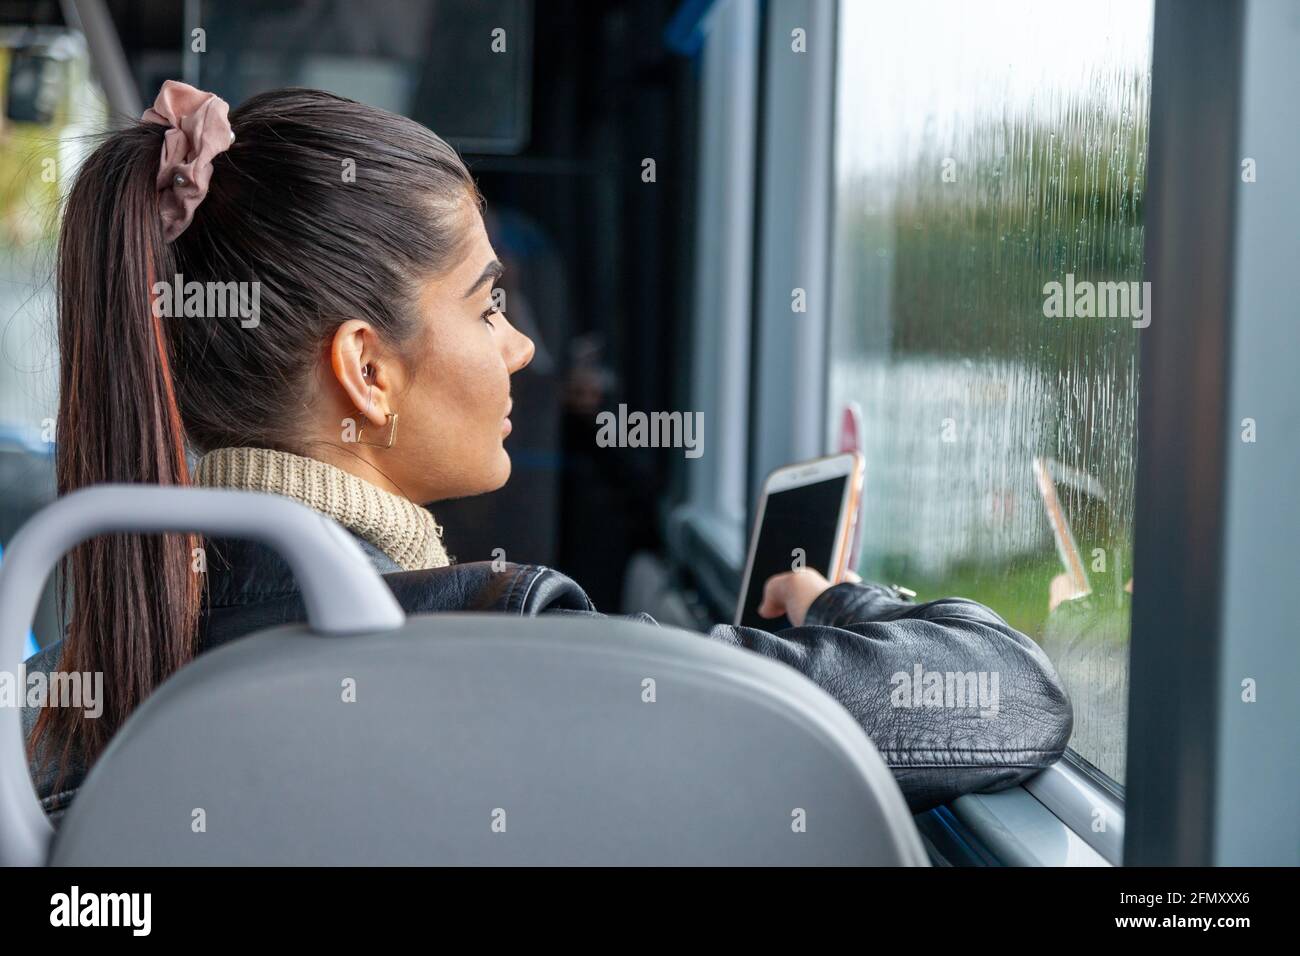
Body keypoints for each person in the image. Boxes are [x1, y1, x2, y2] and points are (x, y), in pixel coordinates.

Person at [23, 82, 1071, 822]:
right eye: (489, 305)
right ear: (367, 372)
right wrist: (837, 605)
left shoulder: (114, 646)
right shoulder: (497, 642)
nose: (522, 347)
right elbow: (1008, 694)